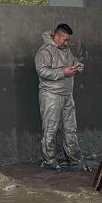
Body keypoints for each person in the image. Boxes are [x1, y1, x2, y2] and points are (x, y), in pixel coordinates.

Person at [35, 23, 87, 171]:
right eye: (64, 39)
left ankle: (74, 159)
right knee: (50, 128)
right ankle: (49, 160)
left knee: (70, 128)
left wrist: (77, 65)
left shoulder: (66, 49)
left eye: (68, 40)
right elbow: (42, 71)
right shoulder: (44, 52)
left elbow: (71, 61)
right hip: (51, 94)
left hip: (67, 94)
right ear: (56, 36)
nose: (66, 43)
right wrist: (64, 72)